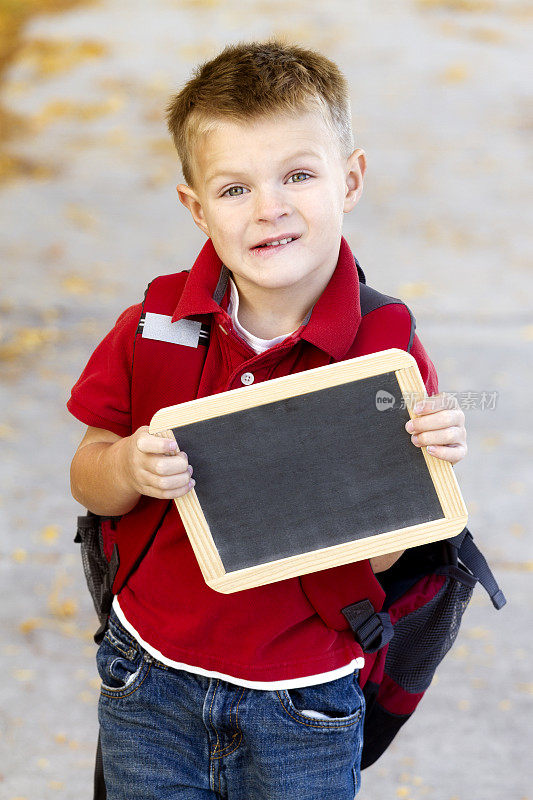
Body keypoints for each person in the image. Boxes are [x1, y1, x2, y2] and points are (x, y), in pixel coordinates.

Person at [68, 40, 467, 800]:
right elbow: (92, 480)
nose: (269, 208)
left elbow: (380, 564)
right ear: (194, 207)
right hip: (149, 678)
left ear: (349, 179)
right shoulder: (152, 323)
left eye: (297, 175)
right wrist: (126, 466)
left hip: (306, 694)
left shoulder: (386, 346)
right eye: (233, 188)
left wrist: (420, 473)